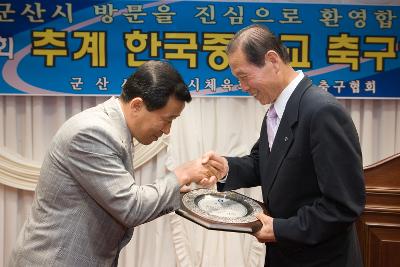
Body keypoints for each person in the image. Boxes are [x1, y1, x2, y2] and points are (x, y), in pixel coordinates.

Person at [9, 60, 223, 266]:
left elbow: (123, 197)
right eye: (167, 120)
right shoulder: (93, 133)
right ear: (137, 105)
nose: (167, 130)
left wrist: (183, 194)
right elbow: (131, 207)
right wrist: (181, 173)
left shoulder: (113, 128)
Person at [204, 24, 366, 266]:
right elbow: (266, 163)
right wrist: (226, 167)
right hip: (285, 255)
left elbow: (344, 205)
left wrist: (281, 229)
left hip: (321, 259)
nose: (244, 87)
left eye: (244, 77)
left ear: (272, 60)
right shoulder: (277, 110)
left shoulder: (322, 111)